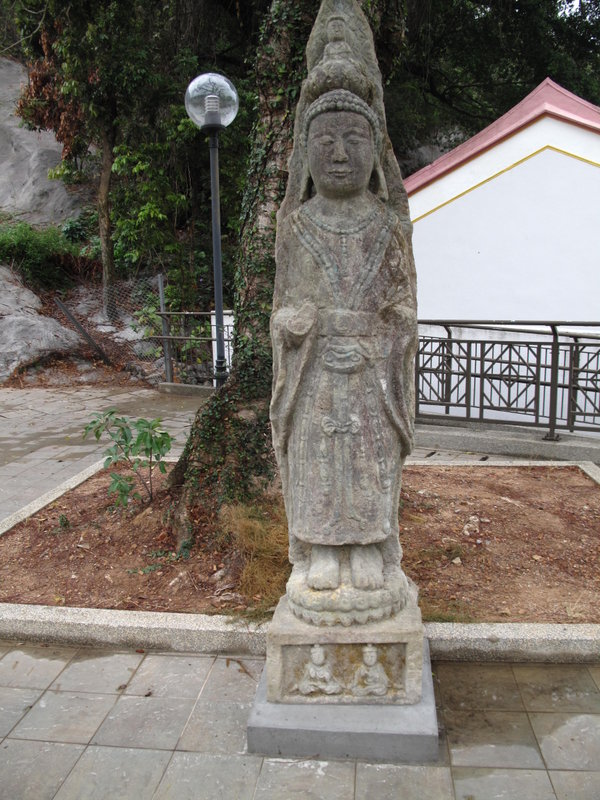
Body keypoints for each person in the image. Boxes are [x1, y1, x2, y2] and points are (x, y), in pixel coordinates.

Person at [271, 86, 417, 625]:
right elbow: (282, 307)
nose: (338, 154)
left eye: (353, 139)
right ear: (304, 152)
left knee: (368, 459)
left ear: (375, 150)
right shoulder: (296, 225)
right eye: (325, 140)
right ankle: (322, 551)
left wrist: (379, 341)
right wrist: (291, 328)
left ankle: (369, 547)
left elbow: (403, 307)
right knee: (316, 460)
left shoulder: (388, 225)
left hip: (370, 376)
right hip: (314, 374)